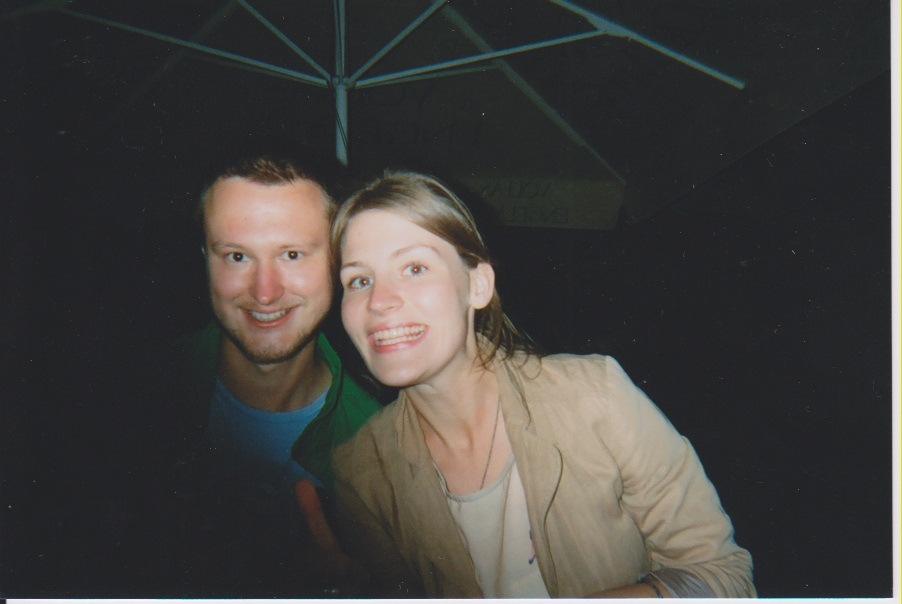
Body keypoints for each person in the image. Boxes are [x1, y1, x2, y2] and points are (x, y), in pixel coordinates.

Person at [329, 171, 756, 598]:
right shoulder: (362, 474)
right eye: (359, 280)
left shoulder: (595, 396)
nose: (378, 301)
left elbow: (721, 576)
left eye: (414, 268)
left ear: (477, 285)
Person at [135, 151, 381, 596]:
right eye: (236, 256)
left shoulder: (383, 444)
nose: (264, 293)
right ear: (205, 259)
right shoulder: (124, 403)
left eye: (292, 254)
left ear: (338, 261)